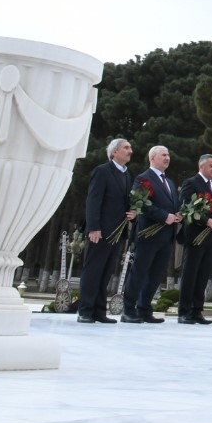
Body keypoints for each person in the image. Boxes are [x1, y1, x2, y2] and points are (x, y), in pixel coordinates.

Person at [77, 138, 137, 323]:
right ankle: (85, 311)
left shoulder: (127, 175)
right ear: (114, 152)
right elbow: (93, 200)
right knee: (93, 270)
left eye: (130, 148)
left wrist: (133, 212)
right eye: (126, 148)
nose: (130, 151)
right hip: (100, 231)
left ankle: (99, 311)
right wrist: (93, 227)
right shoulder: (102, 171)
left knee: (106, 272)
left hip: (117, 232)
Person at [122, 145, 182, 323]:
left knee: (155, 275)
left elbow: (173, 205)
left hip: (166, 236)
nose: (167, 158)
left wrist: (178, 214)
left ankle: (144, 309)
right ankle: (128, 310)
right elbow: (142, 203)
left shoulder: (170, 182)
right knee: (139, 273)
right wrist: (164, 216)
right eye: (163, 155)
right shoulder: (143, 178)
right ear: (152, 158)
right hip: (148, 235)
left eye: (168, 155)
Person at [177, 153, 212, 324]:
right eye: (211, 166)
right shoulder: (191, 183)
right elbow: (186, 206)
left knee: (203, 275)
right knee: (190, 273)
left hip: (210, 237)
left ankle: (197, 310)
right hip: (196, 235)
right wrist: (206, 220)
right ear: (201, 166)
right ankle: (184, 311)